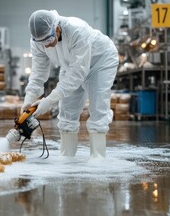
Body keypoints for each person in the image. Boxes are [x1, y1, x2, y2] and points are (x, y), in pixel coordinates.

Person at [21, 9, 119, 159]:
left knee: (98, 108)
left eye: (48, 40)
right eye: (42, 43)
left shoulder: (77, 29)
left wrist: (49, 100)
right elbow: (38, 72)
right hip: (70, 65)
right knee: (67, 111)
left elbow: (78, 73)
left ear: (57, 28)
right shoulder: (39, 41)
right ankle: (67, 156)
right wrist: (29, 98)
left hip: (100, 62)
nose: (46, 46)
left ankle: (98, 157)